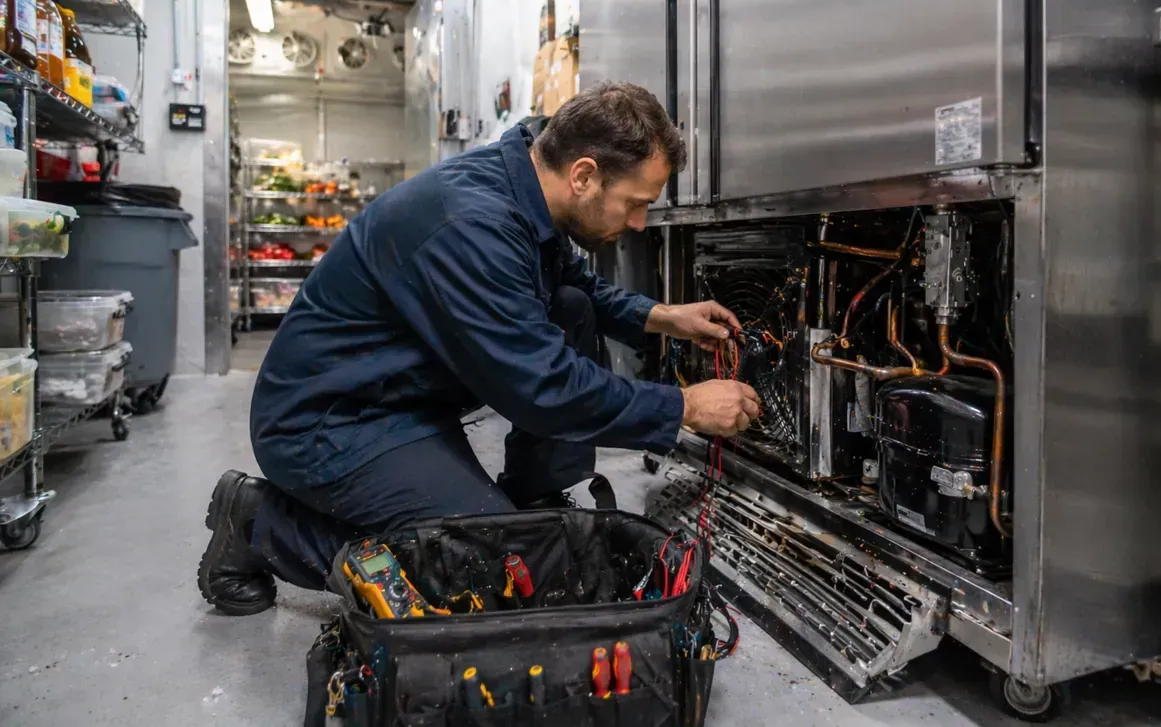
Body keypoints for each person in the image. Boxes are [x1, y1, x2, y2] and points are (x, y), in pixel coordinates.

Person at [197, 81, 761, 616]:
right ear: (584, 175)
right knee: (492, 571)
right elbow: (544, 386)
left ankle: (535, 499)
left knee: (568, 306)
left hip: (401, 396)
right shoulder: (472, 224)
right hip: (330, 423)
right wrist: (684, 407)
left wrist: (662, 317)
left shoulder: (528, 180)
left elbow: (573, 286)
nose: (639, 222)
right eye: (635, 203)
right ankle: (257, 520)